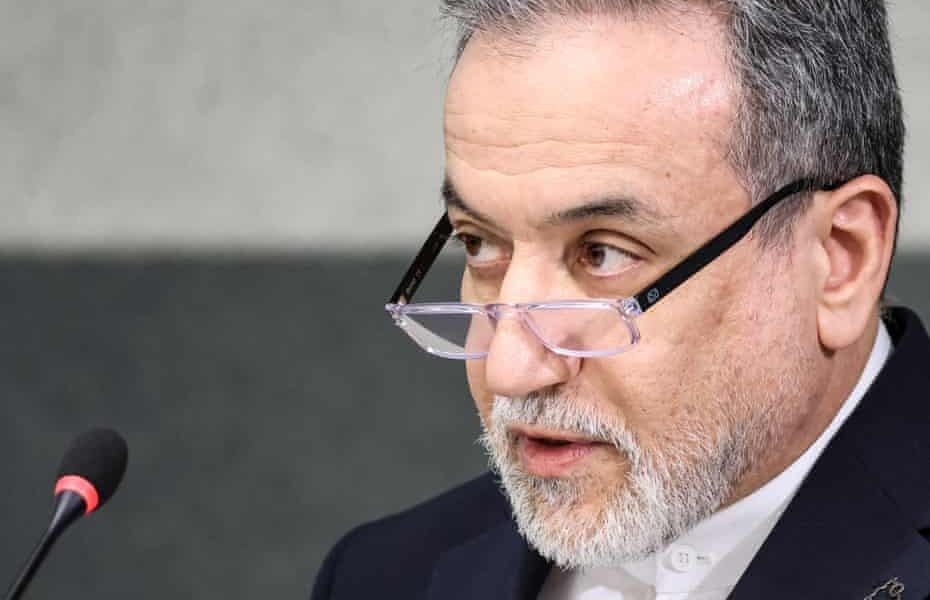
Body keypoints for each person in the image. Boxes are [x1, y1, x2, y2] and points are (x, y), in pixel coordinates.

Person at [312, 1, 930, 598]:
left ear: (841, 259)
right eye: (479, 243)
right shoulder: (379, 576)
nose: (509, 369)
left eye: (603, 254)